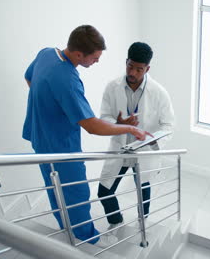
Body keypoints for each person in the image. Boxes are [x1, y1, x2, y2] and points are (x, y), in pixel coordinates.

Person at [23, 25, 150, 247]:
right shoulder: (68, 79)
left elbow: (29, 78)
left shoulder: (46, 53)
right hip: (61, 148)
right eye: (95, 57)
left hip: (39, 138)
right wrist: (129, 129)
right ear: (79, 54)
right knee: (77, 196)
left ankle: (66, 229)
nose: (97, 62)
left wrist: (48, 107)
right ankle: (87, 240)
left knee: (55, 190)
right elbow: (92, 126)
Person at [97, 42, 174, 231]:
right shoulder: (112, 87)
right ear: (126, 62)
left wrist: (152, 141)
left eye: (139, 69)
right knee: (104, 191)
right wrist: (118, 124)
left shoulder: (159, 93)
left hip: (143, 150)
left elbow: (168, 125)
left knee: (143, 192)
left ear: (147, 69)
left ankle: (142, 223)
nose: (133, 73)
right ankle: (116, 221)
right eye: (130, 66)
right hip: (120, 149)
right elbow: (103, 116)